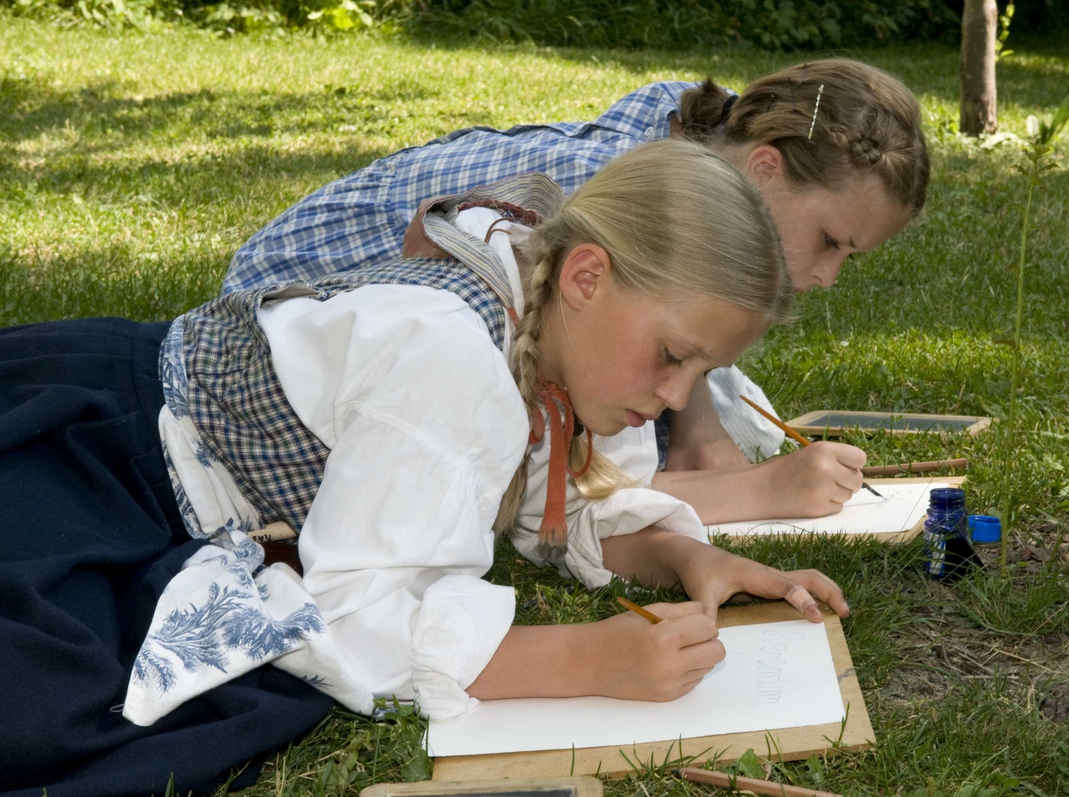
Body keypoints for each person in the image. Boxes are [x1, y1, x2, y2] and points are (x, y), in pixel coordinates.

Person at [1, 141, 849, 797]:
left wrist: (691, 558)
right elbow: (355, 608)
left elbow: (556, 509)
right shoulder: (454, 358)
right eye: (672, 357)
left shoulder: (550, 321)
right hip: (102, 455)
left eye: (698, 375)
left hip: (135, 449)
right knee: (47, 709)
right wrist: (586, 661)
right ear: (589, 275)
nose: (673, 398)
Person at [223, 59, 930, 524]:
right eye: (831, 241)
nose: (828, 275)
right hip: (279, 334)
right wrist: (757, 491)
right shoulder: (616, 202)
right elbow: (560, 486)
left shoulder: (698, 145)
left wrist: (700, 431)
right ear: (766, 169)